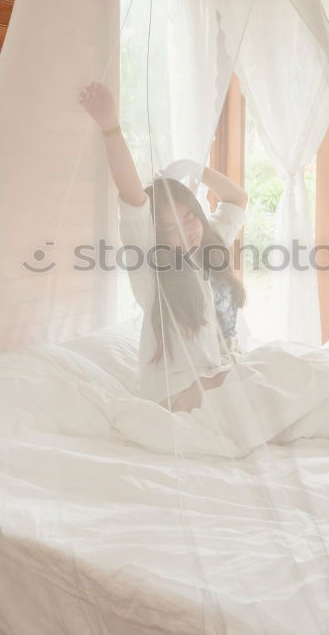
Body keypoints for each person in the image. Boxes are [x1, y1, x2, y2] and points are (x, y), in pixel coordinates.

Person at [79, 81, 248, 412]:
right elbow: (132, 197)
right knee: (279, 381)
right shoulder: (151, 269)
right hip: (177, 389)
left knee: (289, 374)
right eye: (170, 226)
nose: (186, 231)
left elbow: (236, 199)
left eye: (190, 217)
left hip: (218, 375)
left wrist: (193, 168)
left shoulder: (206, 245)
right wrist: (110, 127)